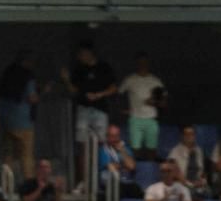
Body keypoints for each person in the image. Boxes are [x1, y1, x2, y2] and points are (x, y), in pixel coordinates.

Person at [62, 41, 116, 190]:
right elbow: (74, 91)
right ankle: (83, 182)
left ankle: (100, 180)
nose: (80, 57)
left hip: (100, 110)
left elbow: (113, 88)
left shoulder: (104, 68)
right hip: (83, 109)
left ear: (90, 54)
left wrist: (99, 95)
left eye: (82, 54)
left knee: (100, 145)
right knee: (83, 146)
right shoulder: (78, 70)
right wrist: (66, 80)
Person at [0, 50, 40, 179]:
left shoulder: (7, 73)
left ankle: (5, 185)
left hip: (7, 121)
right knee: (26, 155)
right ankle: (28, 185)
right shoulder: (28, 76)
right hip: (23, 122)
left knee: (8, 154)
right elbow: (32, 97)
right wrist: (42, 93)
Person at [119, 53, 165, 157]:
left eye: (144, 62)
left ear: (148, 63)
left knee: (152, 150)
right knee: (135, 150)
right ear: (136, 63)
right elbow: (118, 94)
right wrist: (124, 109)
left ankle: (151, 171)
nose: (142, 64)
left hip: (151, 119)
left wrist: (154, 102)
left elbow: (164, 103)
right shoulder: (130, 79)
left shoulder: (155, 81)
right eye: (140, 62)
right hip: (135, 118)